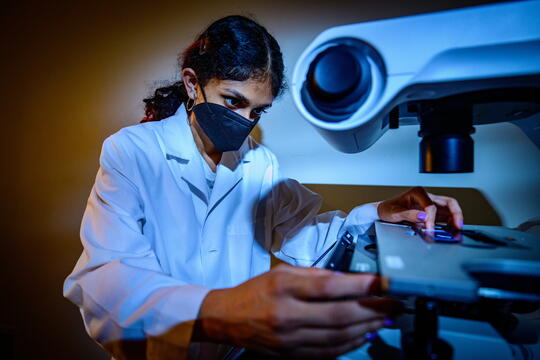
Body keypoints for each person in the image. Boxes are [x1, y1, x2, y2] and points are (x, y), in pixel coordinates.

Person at [63, 15, 464, 360]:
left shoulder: (259, 162)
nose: (245, 120)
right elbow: (106, 277)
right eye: (233, 101)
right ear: (192, 84)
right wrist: (219, 310)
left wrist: (379, 212)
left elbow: (303, 233)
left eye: (258, 110)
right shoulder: (132, 151)